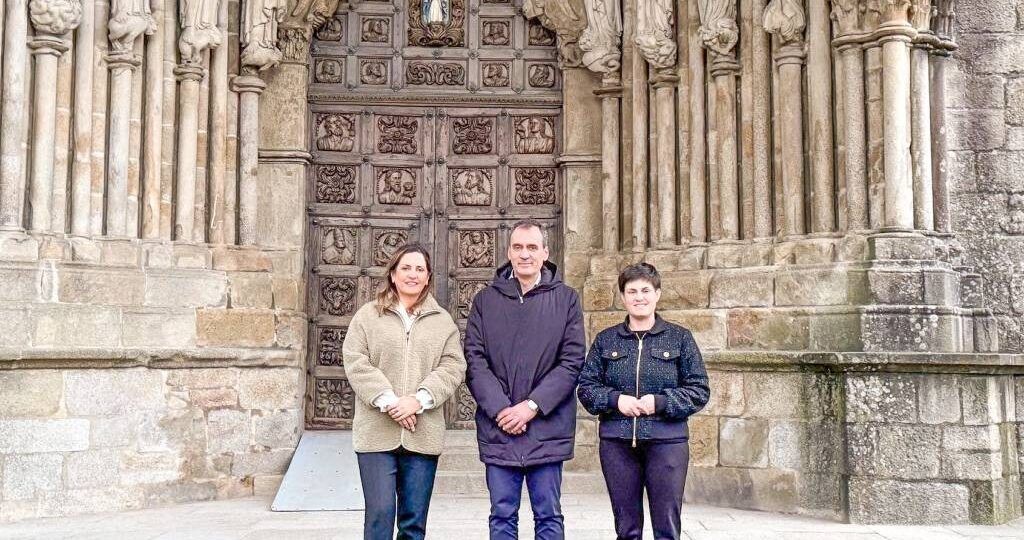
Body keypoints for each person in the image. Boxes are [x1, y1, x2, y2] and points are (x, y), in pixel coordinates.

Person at [464, 219, 586, 540]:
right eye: (518, 247)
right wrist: (503, 410)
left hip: (546, 427)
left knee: (548, 517)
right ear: (508, 252)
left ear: (545, 253)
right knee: (502, 516)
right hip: (499, 427)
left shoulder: (567, 299)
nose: (525, 254)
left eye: (532, 247)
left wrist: (531, 406)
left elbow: (571, 362)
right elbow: (475, 361)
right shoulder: (485, 301)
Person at [343, 243, 467, 540]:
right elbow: (356, 360)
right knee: (380, 514)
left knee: (413, 523)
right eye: (406, 268)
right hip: (376, 434)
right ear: (394, 275)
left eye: (420, 269)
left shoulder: (442, 322)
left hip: (422, 434)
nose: (413, 274)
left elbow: (452, 366)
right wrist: (390, 402)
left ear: (428, 278)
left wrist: (418, 400)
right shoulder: (368, 316)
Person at [577, 263, 711, 540]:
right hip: (618, 443)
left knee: (666, 528)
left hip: (667, 442)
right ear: (623, 297)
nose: (639, 297)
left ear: (657, 294)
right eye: (632, 291)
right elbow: (587, 388)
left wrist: (659, 403)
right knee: (627, 529)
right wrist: (616, 401)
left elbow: (698, 390)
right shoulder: (606, 339)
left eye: (645, 290)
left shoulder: (680, 338)